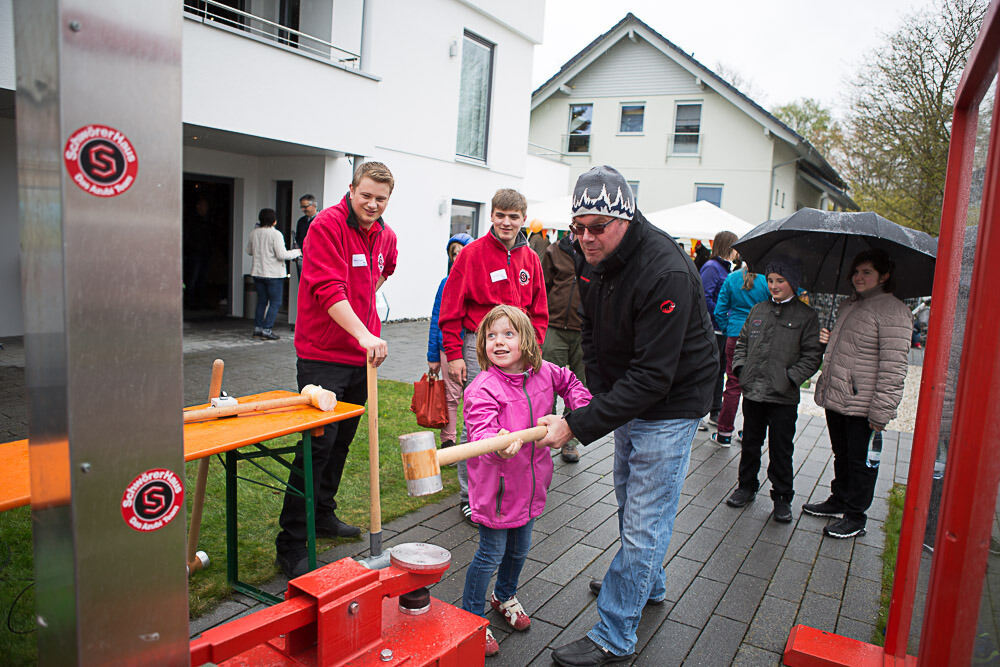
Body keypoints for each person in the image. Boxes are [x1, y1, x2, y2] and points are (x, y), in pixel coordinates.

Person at [537, 166, 717, 666]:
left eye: (598, 227)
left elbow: (655, 378)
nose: (586, 237)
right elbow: (591, 331)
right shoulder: (592, 258)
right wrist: (598, 393)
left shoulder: (667, 271)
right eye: (578, 226)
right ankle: (644, 581)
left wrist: (576, 423)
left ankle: (615, 634)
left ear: (626, 217)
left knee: (644, 517)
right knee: (627, 496)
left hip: (674, 399)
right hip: (630, 392)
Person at [275, 161, 398, 578]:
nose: (373, 204)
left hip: (359, 361)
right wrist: (362, 331)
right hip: (321, 356)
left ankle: (323, 515)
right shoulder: (325, 227)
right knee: (315, 449)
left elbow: (384, 269)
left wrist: (364, 311)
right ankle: (291, 542)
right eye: (366, 195)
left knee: (342, 443)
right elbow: (328, 288)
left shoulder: (385, 235)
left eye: (381, 198)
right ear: (351, 189)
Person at [461, 305, 591, 657]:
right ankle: (471, 618)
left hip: (532, 485)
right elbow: (481, 433)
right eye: (491, 335)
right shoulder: (483, 388)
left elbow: (572, 384)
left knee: (519, 550)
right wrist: (500, 444)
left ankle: (504, 596)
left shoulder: (543, 373)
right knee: (490, 554)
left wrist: (577, 414)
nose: (498, 342)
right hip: (497, 492)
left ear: (527, 340)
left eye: (508, 334)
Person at [438, 189, 548, 524]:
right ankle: (470, 496)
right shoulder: (471, 255)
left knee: (514, 421)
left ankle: (508, 493)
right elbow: (450, 310)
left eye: (513, 216)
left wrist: (533, 349)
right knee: (478, 424)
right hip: (478, 348)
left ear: (523, 219)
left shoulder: (530, 259)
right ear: (492, 216)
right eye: (500, 215)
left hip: (521, 352)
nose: (506, 222)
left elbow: (540, 311)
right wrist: (455, 355)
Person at [804, 248, 912, 539]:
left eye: (867, 272)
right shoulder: (850, 305)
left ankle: (855, 515)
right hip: (838, 397)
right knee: (842, 454)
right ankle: (838, 498)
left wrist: (882, 411)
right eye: (856, 272)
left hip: (863, 403)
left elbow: (893, 366)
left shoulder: (893, 311)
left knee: (860, 461)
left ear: (884, 275)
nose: (858, 277)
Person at [724, 260, 823, 522]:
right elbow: (743, 342)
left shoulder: (806, 316)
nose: (774, 286)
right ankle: (746, 486)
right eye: (770, 280)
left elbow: (812, 356)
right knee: (750, 443)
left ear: (792, 282)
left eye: (780, 280)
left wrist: (791, 379)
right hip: (754, 391)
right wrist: (741, 370)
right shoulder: (758, 309)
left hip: (783, 396)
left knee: (781, 448)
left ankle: (782, 496)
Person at [541, 231, 587, 462]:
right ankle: (544, 435)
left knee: (580, 389)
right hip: (555, 327)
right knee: (545, 385)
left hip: (584, 332)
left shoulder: (596, 251)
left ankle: (570, 441)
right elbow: (541, 289)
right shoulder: (554, 251)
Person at [711, 265, 769, 445]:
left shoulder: (732, 278)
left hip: (735, 333)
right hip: (759, 334)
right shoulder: (768, 281)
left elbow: (719, 310)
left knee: (733, 385)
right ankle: (750, 432)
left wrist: (728, 327)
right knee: (755, 385)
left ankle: (724, 433)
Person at [426, 233, 474, 449]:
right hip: (448, 347)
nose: (458, 257)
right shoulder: (445, 283)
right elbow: (437, 318)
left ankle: (473, 440)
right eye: (454, 253)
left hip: (472, 346)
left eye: (462, 252)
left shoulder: (478, 282)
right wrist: (433, 356)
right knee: (451, 395)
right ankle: (448, 441)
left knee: (473, 395)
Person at [699, 230, 739, 429]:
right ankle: (700, 412)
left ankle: (715, 410)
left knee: (720, 370)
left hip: (722, 329)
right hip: (713, 328)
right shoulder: (712, 267)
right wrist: (722, 315)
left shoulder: (725, 269)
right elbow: (704, 297)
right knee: (709, 370)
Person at [246, 208, 302, 340]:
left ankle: (258, 328)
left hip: (258, 272)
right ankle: (267, 329)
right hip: (273, 274)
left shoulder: (254, 233)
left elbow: (249, 251)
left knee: (261, 301)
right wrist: (297, 252)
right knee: (275, 302)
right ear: (274, 221)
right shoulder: (276, 234)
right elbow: (281, 254)